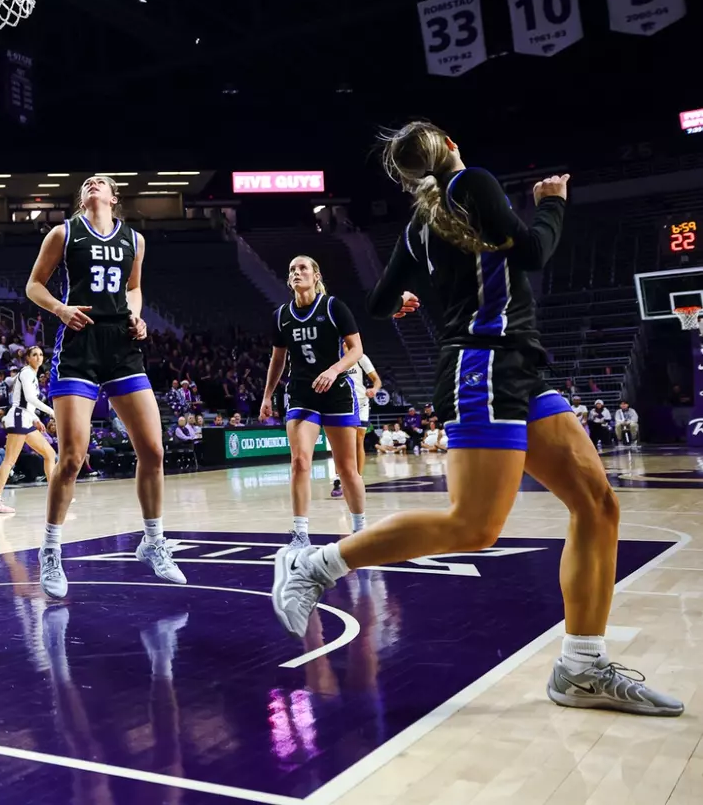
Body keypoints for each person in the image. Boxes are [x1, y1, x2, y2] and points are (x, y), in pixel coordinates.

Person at [272, 121, 681, 715]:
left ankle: (581, 667)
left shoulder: (417, 225)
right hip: (482, 366)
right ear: (448, 143)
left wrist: (408, 300)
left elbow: (380, 302)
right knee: (474, 526)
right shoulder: (473, 184)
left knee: (597, 504)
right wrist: (552, 203)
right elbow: (534, 252)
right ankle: (314, 566)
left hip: (519, 364)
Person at [23, 175, 185, 597]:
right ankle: (50, 550)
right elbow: (33, 285)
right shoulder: (64, 233)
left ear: (114, 198)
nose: (94, 183)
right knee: (72, 458)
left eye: (102, 182)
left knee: (153, 450)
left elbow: (134, 288)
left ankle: (153, 541)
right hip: (79, 345)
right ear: (83, 198)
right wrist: (60, 309)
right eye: (88, 183)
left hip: (122, 346)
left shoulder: (134, 239)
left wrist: (137, 315)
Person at [259, 256, 368, 544]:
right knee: (299, 462)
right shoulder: (281, 315)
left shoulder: (333, 307)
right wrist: (267, 395)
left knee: (347, 469)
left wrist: (333, 370)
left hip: (336, 391)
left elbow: (356, 349)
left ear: (316, 275)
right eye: (292, 269)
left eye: (302, 268)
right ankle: (300, 534)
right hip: (301, 393)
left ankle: (360, 530)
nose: (296, 272)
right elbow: (278, 359)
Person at [0, 346, 59, 513]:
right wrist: (52, 412)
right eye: (34, 355)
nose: (39, 357)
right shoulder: (26, 372)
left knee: (49, 454)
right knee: (9, 460)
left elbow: (27, 403)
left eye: (41, 354)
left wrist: (35, 419)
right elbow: (29, 398)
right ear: (27, 358)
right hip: (18, 417)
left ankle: (54, 495)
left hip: (26, 418)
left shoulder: (32, 374)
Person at [335, 353, 383, 498]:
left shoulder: (360, 357)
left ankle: (358, 478)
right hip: (342, 403)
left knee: (358, 440)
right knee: (342, 443)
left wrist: (374, 389)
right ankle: (339, 479)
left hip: (361, 403)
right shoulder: (333, 354)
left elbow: (377, 380)